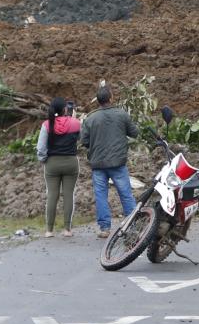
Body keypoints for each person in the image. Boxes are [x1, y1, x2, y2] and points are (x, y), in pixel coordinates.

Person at [80, 83, 139, 238]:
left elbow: (84, 141)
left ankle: (104, 228)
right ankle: (132, 225)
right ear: (111, 98)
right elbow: (135, 133)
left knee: (100, 195)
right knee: (125, 193)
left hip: (98, 164)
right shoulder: (121, 114)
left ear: (98, 101)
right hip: (118, 163)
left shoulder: (90, 118)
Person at [36, 97, 81, 238]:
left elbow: (41, 147)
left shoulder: (46, 125)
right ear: (65, 109)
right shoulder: (75, 123)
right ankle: (67, 229)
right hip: (71, 162)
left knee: (52, 195)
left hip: (52, 164)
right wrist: (74, 120)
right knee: (68, 195)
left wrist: (44, 160)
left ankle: (49, 230)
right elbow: (81, 139)